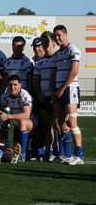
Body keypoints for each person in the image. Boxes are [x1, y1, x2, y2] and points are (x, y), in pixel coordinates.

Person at [52, 25, 84, 165]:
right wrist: (55, 90)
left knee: (72, 123)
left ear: (65, 34)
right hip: (59, 91)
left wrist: (62, 89)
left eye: (59, 35)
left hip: (69, 89)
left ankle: (79, 155)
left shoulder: (73, 50)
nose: (57, 38)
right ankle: (67, 155)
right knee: (61, 122)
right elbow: (54, 73)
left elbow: (74, 71)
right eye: (55, 36)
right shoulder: (57, 54)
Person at [0, 74, 34, 163]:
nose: (13, 87)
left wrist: (8, 116)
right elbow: (3, 114)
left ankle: (22, 156)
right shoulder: (4, 97)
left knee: (22, 121)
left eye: (15, 85)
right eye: (10, 85)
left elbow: (26, 115)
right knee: (15, 150)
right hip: (16, 126)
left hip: (29, 125)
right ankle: (29, 153)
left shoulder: (25, 95)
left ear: (20, 85)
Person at [32, 35, 56, 161]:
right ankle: (49, 151)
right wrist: (40, 95)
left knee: (59, 125)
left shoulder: (58, 58)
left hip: (56, 97)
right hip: (43, 98)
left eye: (47, 43)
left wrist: (55, 94)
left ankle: (61, 152)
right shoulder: (38, 62)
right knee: (46, 126)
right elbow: (36, 81)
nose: (44, 46)